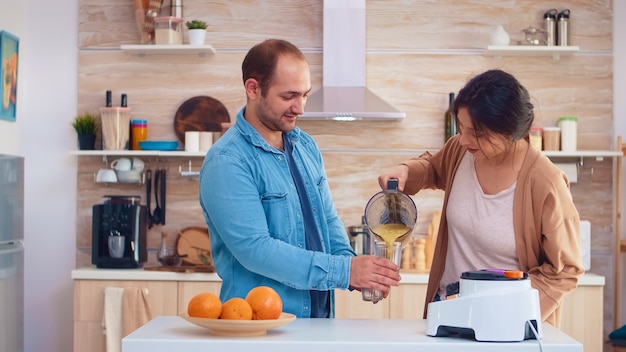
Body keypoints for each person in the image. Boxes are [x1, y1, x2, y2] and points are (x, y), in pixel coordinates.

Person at [198, 39, 401, 318]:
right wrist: (344, 271)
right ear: (253, 88)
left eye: (304, 95)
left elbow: (328, 221)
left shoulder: (306, 147)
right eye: (289, 96)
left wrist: (359, 271)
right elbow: (255, 248)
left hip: (318, 322)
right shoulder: (227, 161)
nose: (300, 107)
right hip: (260, 328)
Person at [377, 69, 584, 326]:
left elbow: (564, 271)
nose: (463, 139)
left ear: (509, 132)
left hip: (506, 326)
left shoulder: (545, 182)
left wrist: (513, 318)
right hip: (448, 315)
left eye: (476, 132)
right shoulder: (461, 151)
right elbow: (432, 167)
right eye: (462, 128)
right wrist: (406, 171)